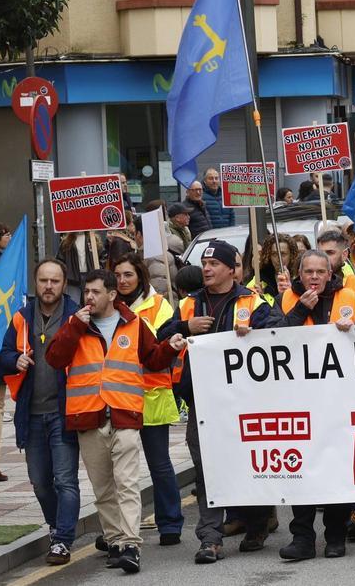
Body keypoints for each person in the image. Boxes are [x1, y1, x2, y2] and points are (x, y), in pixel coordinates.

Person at [46, 269, 185, 574]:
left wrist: (170, 348)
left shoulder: (134, 324)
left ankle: (132, 545)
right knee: (104, 489)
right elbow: (55, 358)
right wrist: (73, 329)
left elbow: (152, 358)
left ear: (112, 295)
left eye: (96, 292)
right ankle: (116, 542)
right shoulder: (76, 324)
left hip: (125, 415)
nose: (89, 298)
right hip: (89, 417)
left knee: (127, 484)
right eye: (86, 293)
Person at [157, 241, 273, 564]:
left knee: (248, 463)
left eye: (213, 264)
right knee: (207, 469)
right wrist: (184, 327)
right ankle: (210, 538)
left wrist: (255, 332)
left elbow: (279, 332)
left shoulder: (253, 302)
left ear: (230, 269)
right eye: (204, 264)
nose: (206, 269)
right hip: (202, 402)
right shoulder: (189, 305)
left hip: (243, 402)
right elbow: (160, 336)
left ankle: (257, 523)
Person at [267, 250, 355, 561]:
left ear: (330, 273)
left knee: (336, 468)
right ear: (299, 274)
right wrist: (298, 311)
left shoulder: (350, 296)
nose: (313, 277)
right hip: (298, 399)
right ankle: (303, 537)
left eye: (319, 272)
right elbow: (269, 338)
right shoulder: (285, 299)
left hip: (340, 400)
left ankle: (335, 535)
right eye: (308, 271)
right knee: (302, 468)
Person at [0, 259, 81, 565]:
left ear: (63, 284)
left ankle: (62, 539)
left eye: (54, 281)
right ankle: (57, 524)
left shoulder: (75, 316)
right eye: (43, 281)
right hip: (31, 414)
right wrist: (13, 360)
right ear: (36, 283)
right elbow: (3, 354)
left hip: (64, 410)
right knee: (39, 482)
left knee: (65, 480)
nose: (48, 286)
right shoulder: (22, 317)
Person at [109, 254, 183, 547]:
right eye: (117, 275)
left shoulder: (158, 305)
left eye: (128, 274)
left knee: (159, 463)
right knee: (119, 469)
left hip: (152, 394)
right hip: (119, 395)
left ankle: (170, 523)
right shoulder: (107, 306)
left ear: (140, 275)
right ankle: (118, 529)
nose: (122, 280)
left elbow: (163, 343)